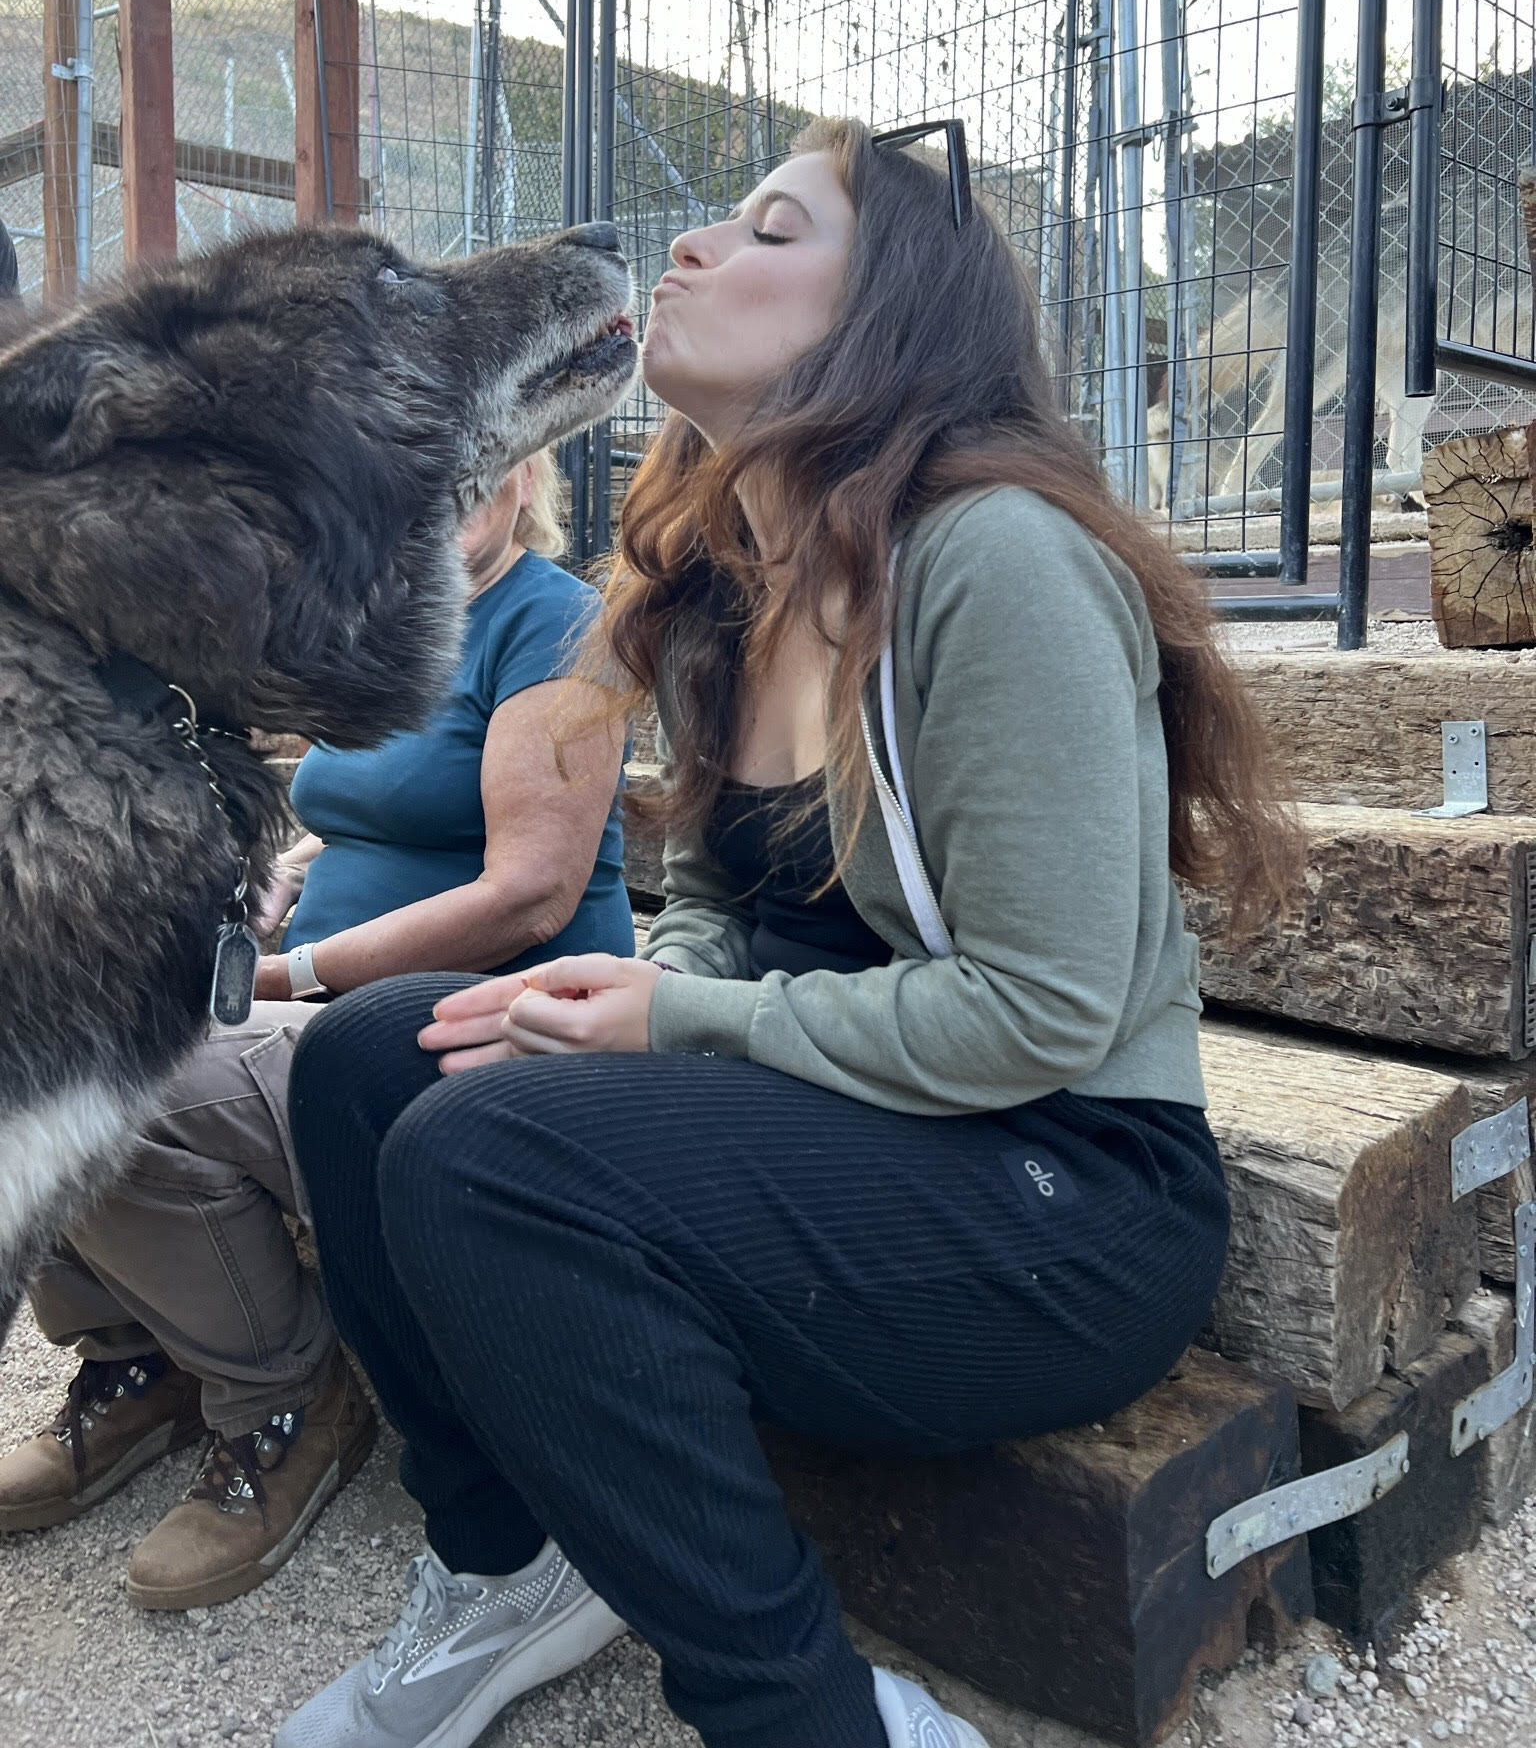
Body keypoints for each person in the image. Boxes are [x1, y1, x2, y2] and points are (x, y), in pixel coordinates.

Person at [276, 119, 1298, 1748]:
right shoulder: (731, 596)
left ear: (887, 317)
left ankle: (811, 1716)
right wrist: (645, 987)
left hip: (1064, 1194)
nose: (690, 251)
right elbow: (731, 924)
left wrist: (678, 1025)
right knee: (362, 1062)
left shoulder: (996, 559)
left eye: (766, 231)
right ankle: (510, 1565)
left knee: (491, 1151)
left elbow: (1039, 1014)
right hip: (852, 1129)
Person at [0, 449, 631, 1615]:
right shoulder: (398, 625)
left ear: (530, 469)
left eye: (478, 464)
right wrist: (291, 869)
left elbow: (528, 891)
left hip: (456, 1033)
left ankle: (285, 1400)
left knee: (121, 1092)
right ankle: (129, 1355)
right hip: (314, 1003)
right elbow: (359, 810)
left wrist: (291, 969)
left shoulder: (558, 620)